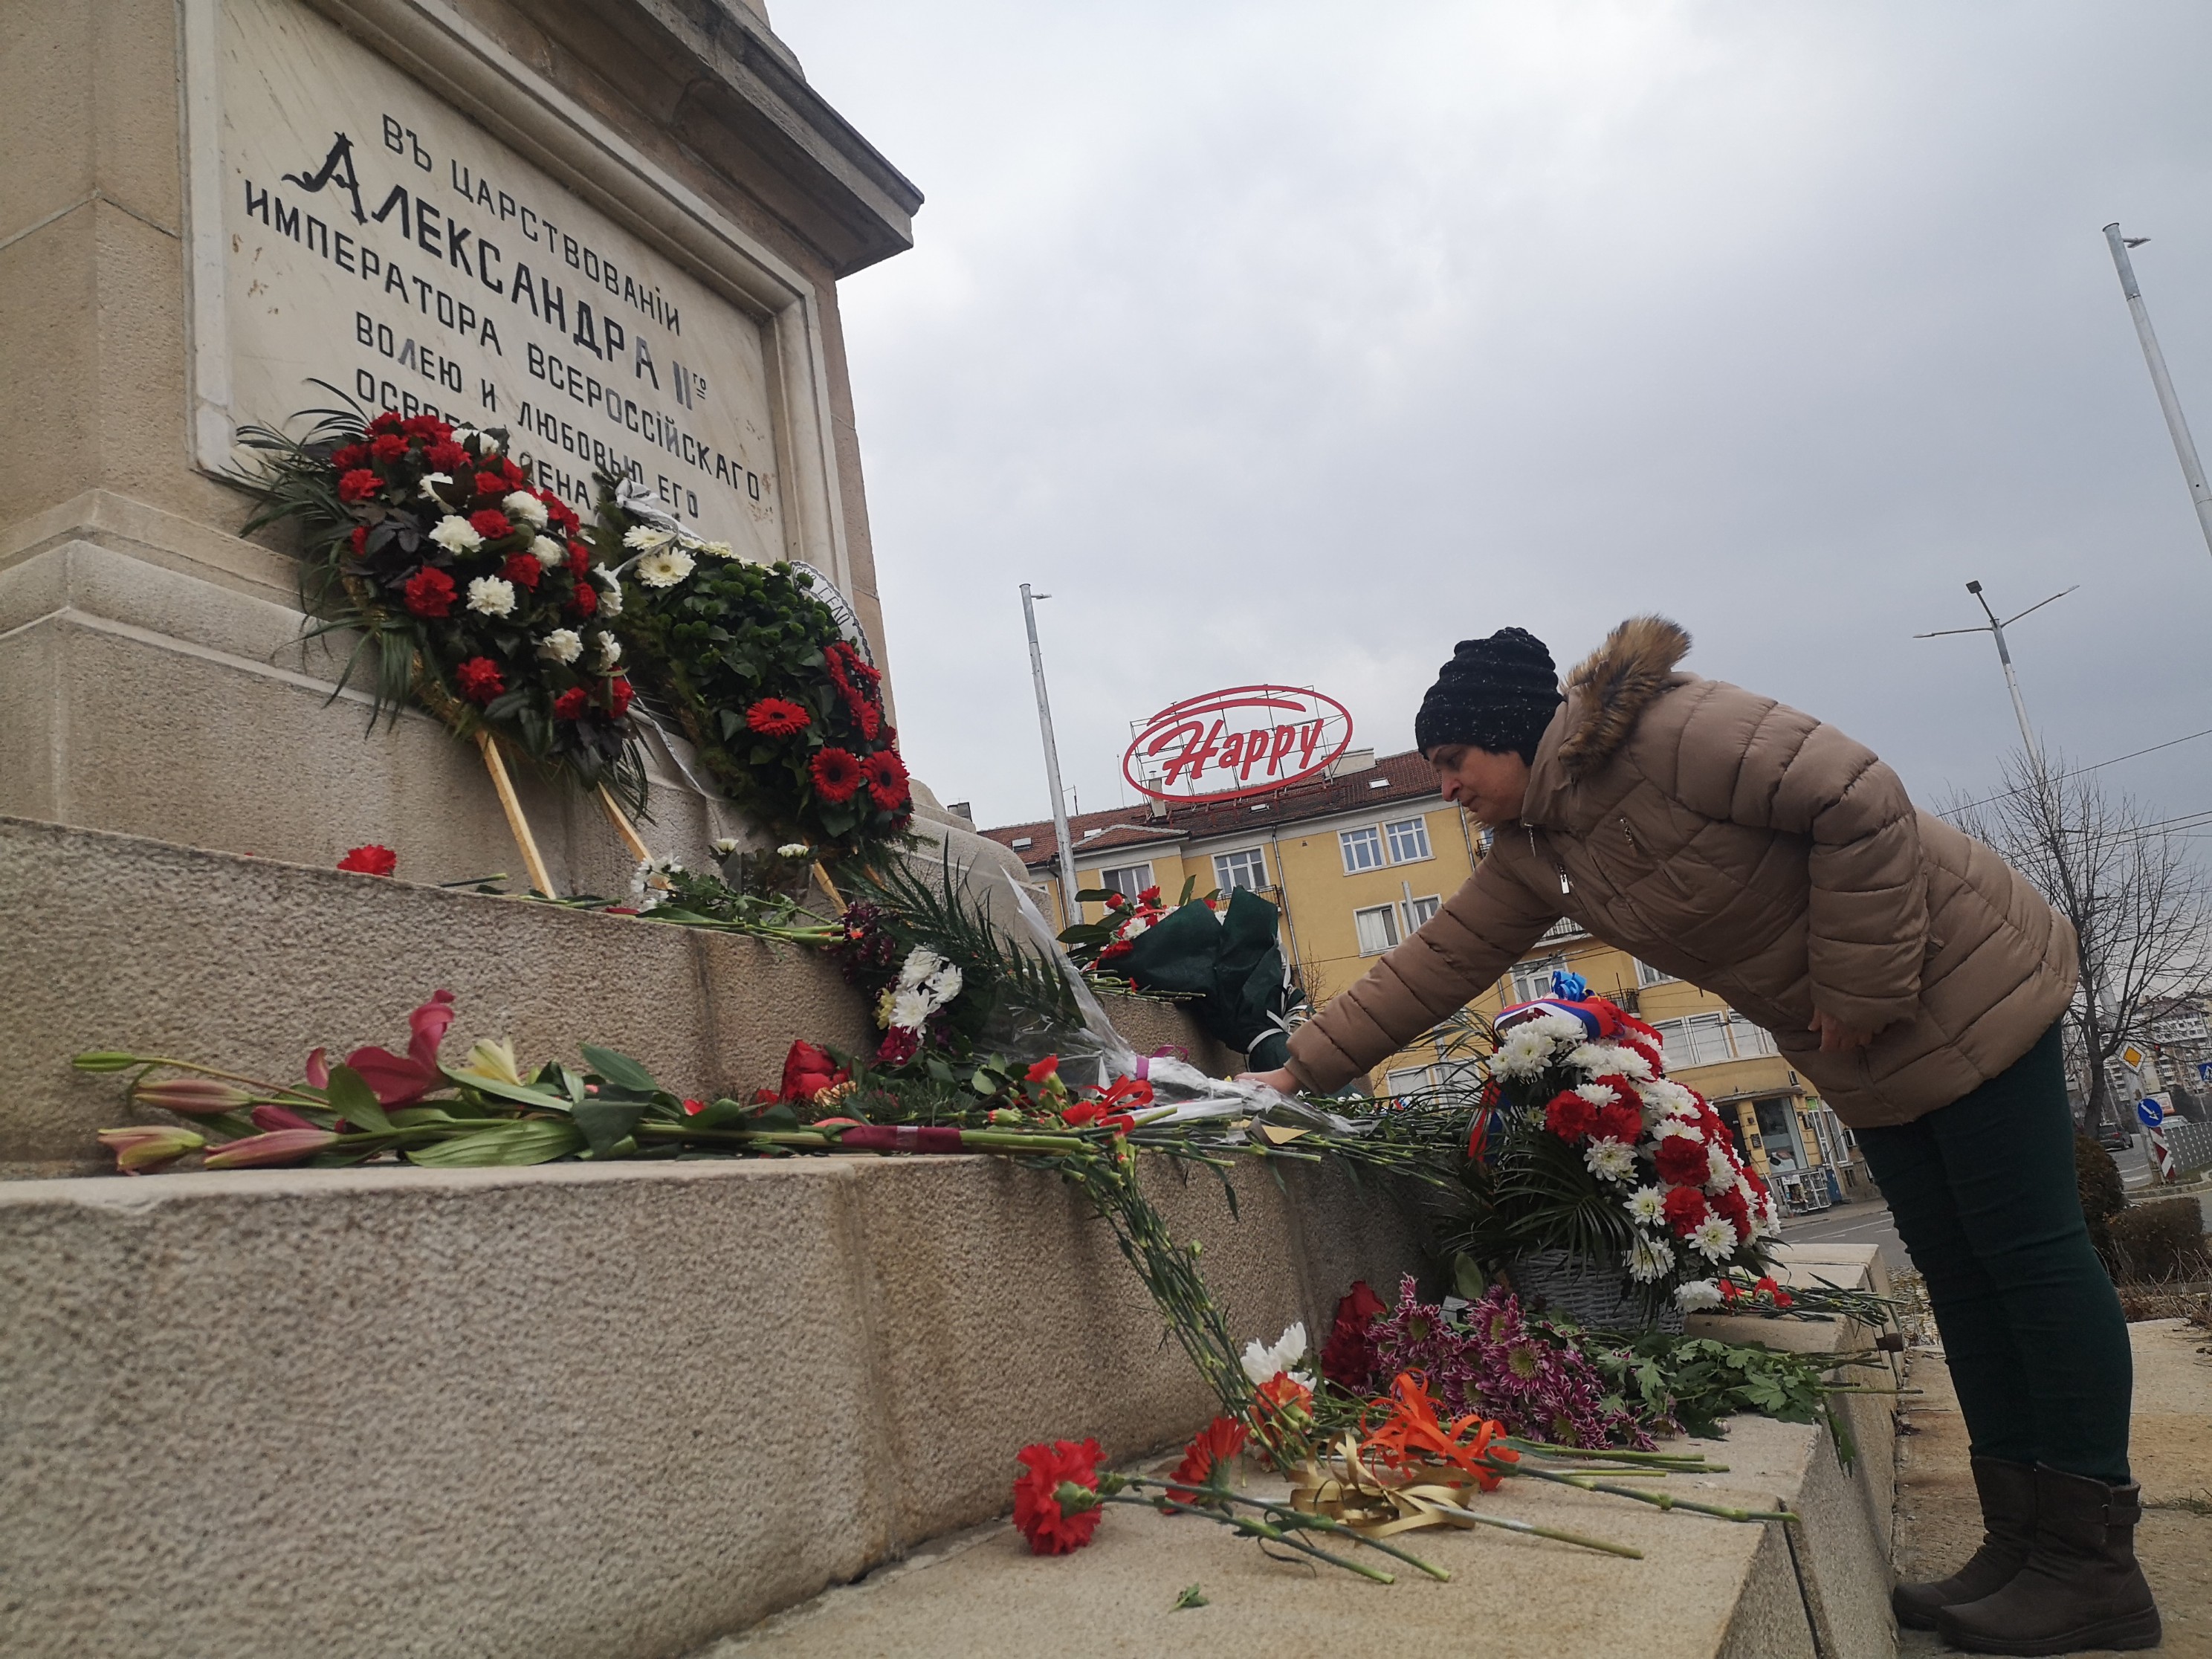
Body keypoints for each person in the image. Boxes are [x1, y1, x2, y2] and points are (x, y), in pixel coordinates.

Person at [1241, 618, 2156, 1657]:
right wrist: (1295, 1068)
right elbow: (1437, 960)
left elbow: (1858, 797)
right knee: (1960, 1272)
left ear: (1512, 733)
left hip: (1965, 978)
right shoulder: (1538, 851)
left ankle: (2093, 1569)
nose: (1446, 785)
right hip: (1864, 1043)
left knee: (2029, 1258)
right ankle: (2023, 1541)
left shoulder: (1669, 730)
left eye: (1454, 759)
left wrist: (1858, 983)